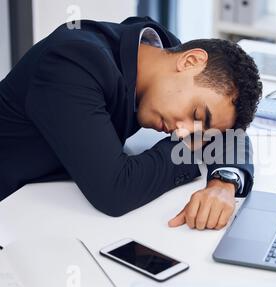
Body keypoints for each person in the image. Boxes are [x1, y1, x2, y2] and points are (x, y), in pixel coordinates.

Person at [0, 16, 262, 230]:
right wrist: (193, 146)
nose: (184, 132)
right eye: (195, 116)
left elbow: (228, 132)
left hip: (49, 207)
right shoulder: (72, 62)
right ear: (191, 61)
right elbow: (114, 190)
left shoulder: (158, 50)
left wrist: (224, 182)